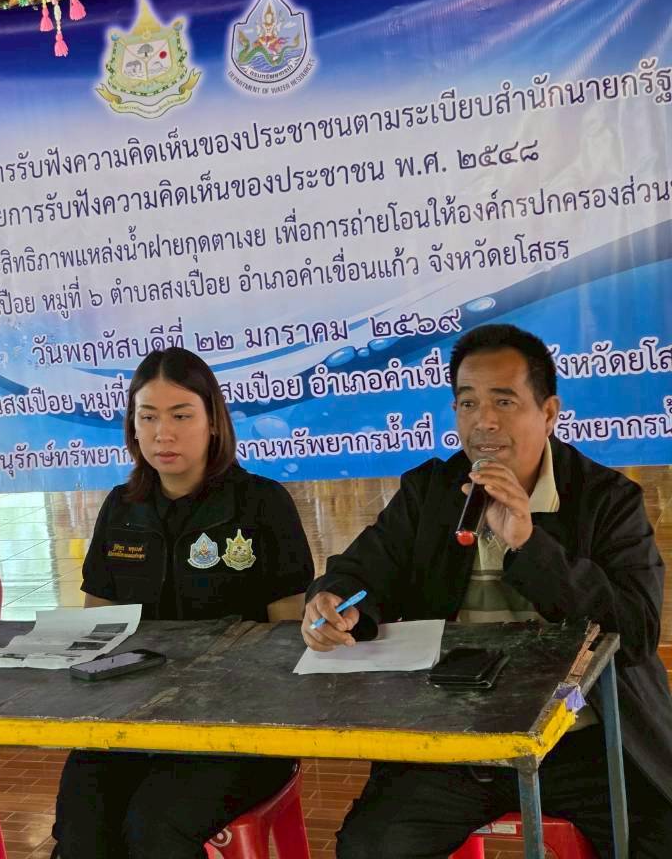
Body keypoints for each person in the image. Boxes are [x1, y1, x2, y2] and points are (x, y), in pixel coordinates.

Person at [303, 323, 672, 857]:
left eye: (504, 401)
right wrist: (334, 599)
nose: (484, 421)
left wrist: (529, 543)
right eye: (468, 403)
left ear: (549, 412)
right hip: (456, 735)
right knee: (371, 847)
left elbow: (635, 632)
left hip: (584, 734)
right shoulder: (431, 491)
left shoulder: (607, 499)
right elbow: (360, 571)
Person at [52, 348, 315, 859]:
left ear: (213, 421)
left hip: (238, 725)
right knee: (81, 828)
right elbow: (98, 626)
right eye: (148, 417)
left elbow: (288, 642)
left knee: (154, 828)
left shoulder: (262, 504)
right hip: (130, 718)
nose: (162, 434)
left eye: (180, 416)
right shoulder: (121, 508)